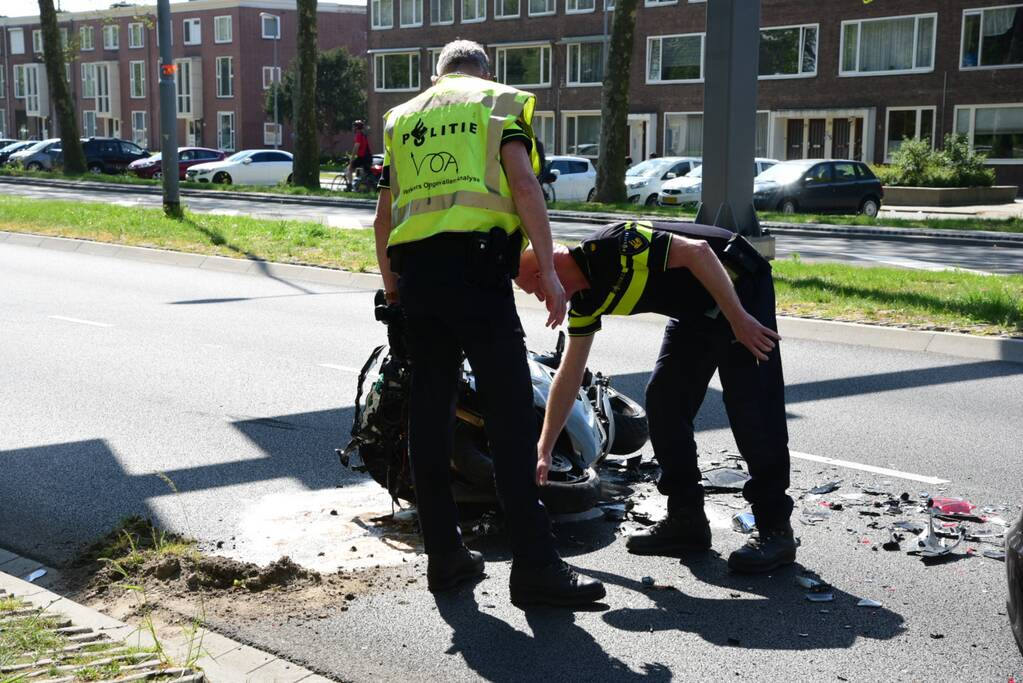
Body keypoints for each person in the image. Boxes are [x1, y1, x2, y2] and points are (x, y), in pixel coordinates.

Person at [372, 40, 605, 606]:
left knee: (428, 418)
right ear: (485, 71)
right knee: (509, 422)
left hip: (419, 281)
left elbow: (384, 219)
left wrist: (395, 296)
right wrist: (548, 271)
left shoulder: (402, 118)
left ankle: (446, 560)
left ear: (436, 75)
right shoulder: (498, 104)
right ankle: (535, 570)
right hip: (479, 277)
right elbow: (523, 185)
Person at [515, 220, 797, 574]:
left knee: (752, 406)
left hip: (738, 286)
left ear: (549, 269)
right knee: (664, 401)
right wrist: (544, 448)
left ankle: (775, 530)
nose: (541, 299)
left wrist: (738, 318)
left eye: (536, 289)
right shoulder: (586, 300)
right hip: (695, 310)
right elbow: (569, 375)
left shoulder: (613, 245)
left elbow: (699, 252)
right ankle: (687, 520)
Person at [345, 120, 372, 188]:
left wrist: (352, 158)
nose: (353, 128)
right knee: (363, 172)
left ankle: (350, 186)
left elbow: (356, 147)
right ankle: (360, 186)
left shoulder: (359, 135)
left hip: (362, 157)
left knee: (349, 168)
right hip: (368, 157)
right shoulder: (363, 135)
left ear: (357, 128)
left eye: (354, 127)